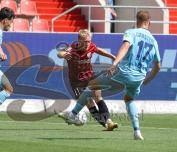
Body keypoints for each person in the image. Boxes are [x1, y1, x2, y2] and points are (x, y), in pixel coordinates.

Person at [61, 11, 161, 140]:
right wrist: (147, 80)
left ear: (136, 21)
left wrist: (114, 63)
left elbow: (125, 46)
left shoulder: (132, 32)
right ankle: (137, 131)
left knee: (92, 86)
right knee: (129, 100)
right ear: (149, 22)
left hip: (124, 71)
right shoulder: (154, 41)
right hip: (139, 77)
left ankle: (73, 114)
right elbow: (158, 65)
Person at [57, 29, 118, 130]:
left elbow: (98, 50)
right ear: (79, 41)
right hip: (77, 82)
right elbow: (60, 53)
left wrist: (111, 56)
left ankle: (109, 121)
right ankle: (106, 125)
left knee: (98, 96)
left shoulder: (91, 46)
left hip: (90, 77)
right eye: (85, 42)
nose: (87, 44)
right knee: (90, 103)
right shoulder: (72, 49)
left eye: (89, 41)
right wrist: (63, 55)